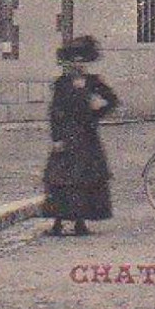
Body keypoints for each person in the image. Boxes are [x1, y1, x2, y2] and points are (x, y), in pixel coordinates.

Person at [44, 35, 119, 237]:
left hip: (87, 137)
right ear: (70, 62)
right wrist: (56, 138)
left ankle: (80, 222)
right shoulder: (62, 83)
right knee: (61, 179)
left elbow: (112, 100)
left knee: (85, 179)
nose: (79, 63)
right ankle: (58, 222)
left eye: (82, 60)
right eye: (75, 59)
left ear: (87, 61)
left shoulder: (93, 82)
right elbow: (55, 112)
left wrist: (96, 114)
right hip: (67, 135)